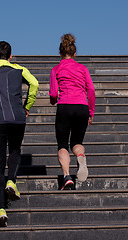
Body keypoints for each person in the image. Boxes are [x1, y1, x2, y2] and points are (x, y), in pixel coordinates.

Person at [0, 41, 39, 227]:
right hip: (17, 117)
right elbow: (34, 84)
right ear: (11, 56)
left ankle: (1, 209)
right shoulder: (19, 69)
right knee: (16, 150)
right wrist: (27, 106)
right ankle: (11, 180)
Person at [49, 34, 95, 190]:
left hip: (65, 106)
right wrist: (91, 112)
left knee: (62, 144)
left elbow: (54, 94)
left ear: (60, 53)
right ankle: (81, 158)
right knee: (77, 142)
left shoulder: (56, 69)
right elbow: (91, 90)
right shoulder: (82, 68)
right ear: (75, 53)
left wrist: (53, 101)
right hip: (82, 106)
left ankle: (67, 176)